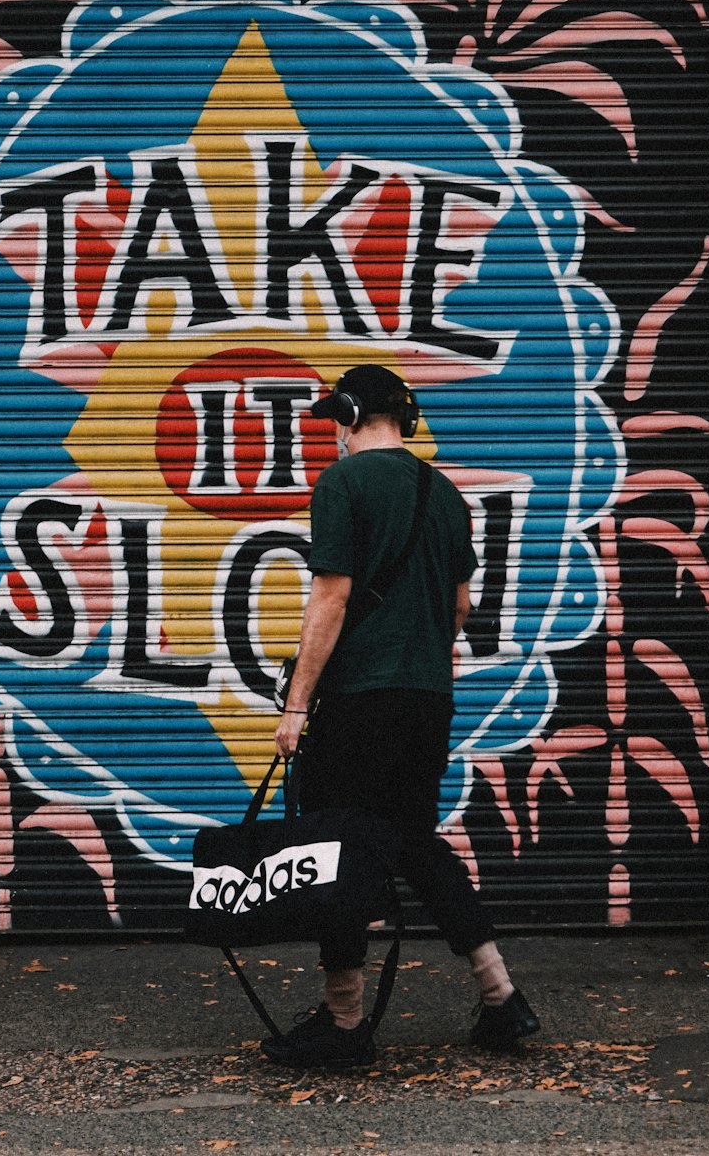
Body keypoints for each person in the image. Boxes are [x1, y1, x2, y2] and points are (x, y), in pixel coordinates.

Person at [262, 364, 539, 1070]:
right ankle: (502, 996)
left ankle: (345, 1020)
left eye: (335, 417)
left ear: (351, 414)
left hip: (360, 700)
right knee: (415, 840)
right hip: (427, 698)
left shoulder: (343, 484)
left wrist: (298, 703)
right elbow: (460, 608)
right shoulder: (443, 492)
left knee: (338, 849)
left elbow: (330, 596)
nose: (334, 430)